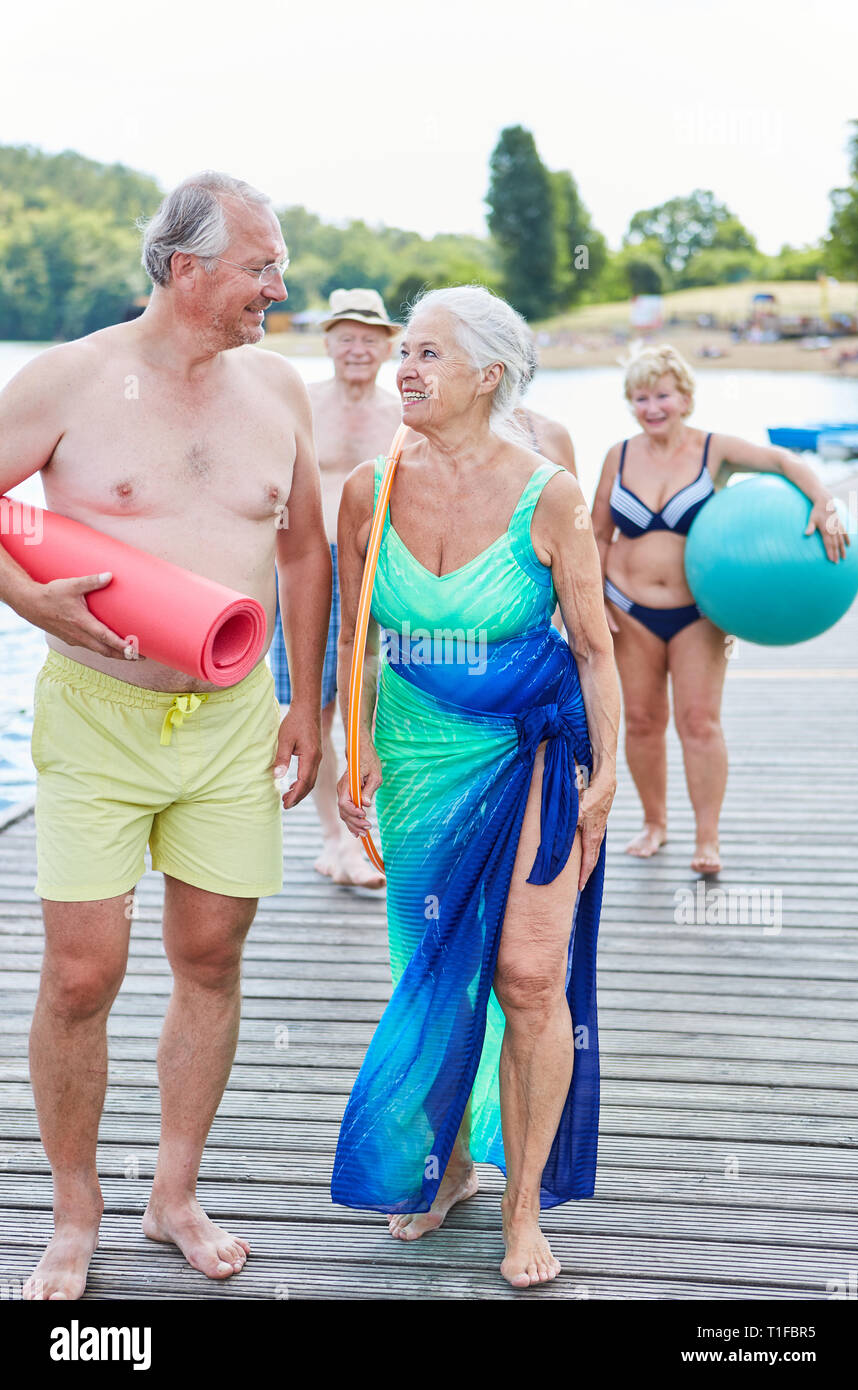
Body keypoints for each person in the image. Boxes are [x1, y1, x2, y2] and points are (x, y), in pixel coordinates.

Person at [0, 171, 331, 1300]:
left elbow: (301, 553)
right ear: (185, 268)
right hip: (98, 716)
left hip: (235, 723)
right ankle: (73, 1210)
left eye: (276, 269)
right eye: (259, 269)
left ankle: (173, 1194)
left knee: (210, 955)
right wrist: (27, 598)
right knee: (83, 974)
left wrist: (310, 703)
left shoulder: (280, 391)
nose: (277, 292)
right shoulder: (72, 378)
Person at [330, 286, 619, 1288]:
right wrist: (348, 744)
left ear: (486, 375)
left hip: (530, 750)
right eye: (401, 351)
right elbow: (353, 637)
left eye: (428, 355)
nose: (402, 368)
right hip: (412, 760)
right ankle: (447, 1165)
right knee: (434, 968)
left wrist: (610, 770)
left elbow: (591, 647)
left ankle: (524, 1205)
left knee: (529, 979)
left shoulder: (551, 495)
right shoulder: (367, 488)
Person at [591, 343, 847, 875]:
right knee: (640, 721)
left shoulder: (714, 450)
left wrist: (824, 502)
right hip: (627, 608)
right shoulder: (618, 455)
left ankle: (707, 839)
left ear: (684, 397)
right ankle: (654, 823)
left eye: (662, 395)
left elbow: (783, 460)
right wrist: (592, 598)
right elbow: (596, 531)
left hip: (698, 614)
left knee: (699, 723)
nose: (652, 406)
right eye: (640, 397)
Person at [269, 288, 402, 888]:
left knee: (375, 701)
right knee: (313, 702)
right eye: (345, 337)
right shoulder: (300, 401)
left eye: (369, 338)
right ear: (326, 343)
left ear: (386, 347)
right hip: (307, 564)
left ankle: (375, 825)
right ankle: (334, 838)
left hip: (382, 562)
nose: (356, 348)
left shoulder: (404, 407)